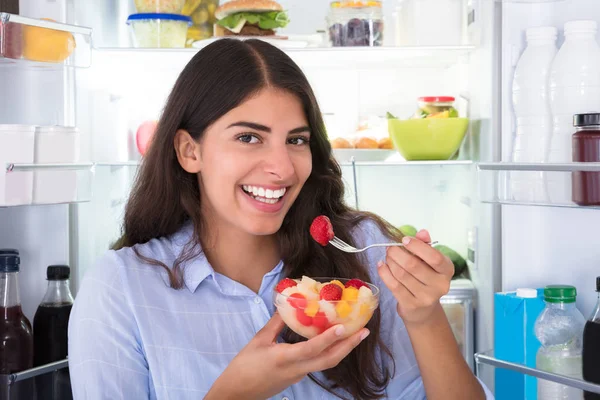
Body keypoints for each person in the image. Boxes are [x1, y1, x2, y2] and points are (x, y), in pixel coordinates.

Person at [68, 38, 493, 400]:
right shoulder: (121, 288)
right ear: (189, 151)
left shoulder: (362, 254)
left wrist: (424, 316)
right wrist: (232, 393)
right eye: (248, 137)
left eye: (296, 140)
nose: (283, 168)